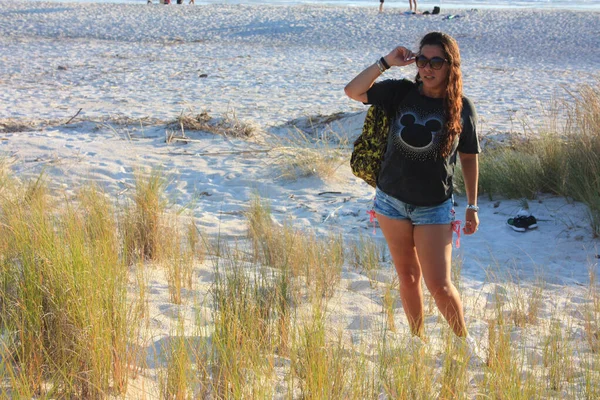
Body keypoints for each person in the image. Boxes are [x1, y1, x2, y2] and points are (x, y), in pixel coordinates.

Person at [344, 32, 481, 348]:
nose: (428, 68)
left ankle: (464, 343)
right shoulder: (400, 93)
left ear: (450, 66)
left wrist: (472, 205)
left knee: (439, 285)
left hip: (433, 207)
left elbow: (470, 157)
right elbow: (353, 90)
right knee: (407, 277)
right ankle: (417, 341)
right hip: (390, 201)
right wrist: (386, 62)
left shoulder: (461, 108)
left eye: (436, 62)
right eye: (423, 60)